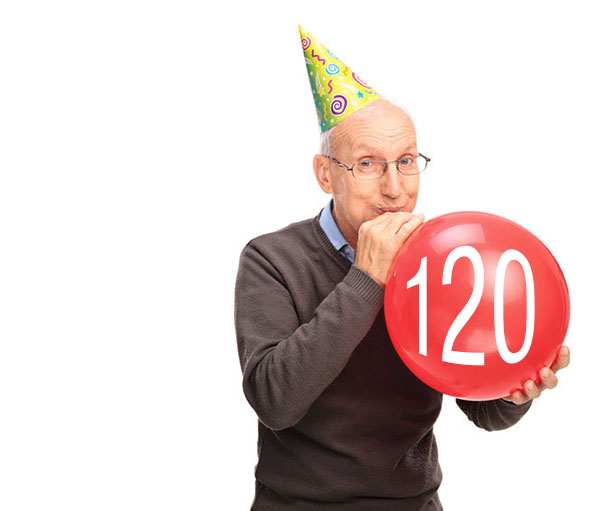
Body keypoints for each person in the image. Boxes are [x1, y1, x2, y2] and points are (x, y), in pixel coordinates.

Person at [233, 27, 570, 511]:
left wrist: (516, 391)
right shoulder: (271, 259)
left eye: (407, 161)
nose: (395, 189)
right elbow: (275, 402)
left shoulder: (441, 259)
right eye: (368, 164)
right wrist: (367, 280)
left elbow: (480, 409)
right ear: (326, 174)